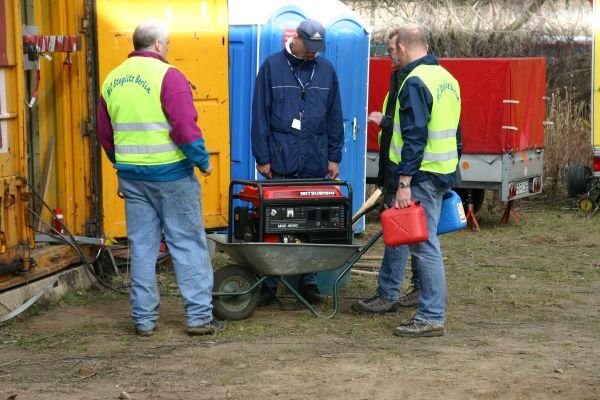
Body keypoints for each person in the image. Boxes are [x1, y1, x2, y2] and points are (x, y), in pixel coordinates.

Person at [97, 20, 223, 337]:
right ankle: (199, 317)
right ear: (157, 44)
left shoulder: (112, 79)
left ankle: (143, 321)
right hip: (172, 176)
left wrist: (121, 164)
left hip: (132, 177)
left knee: (142, 248)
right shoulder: (169, 76)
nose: (167, 49)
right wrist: (202, 161)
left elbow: (105, 134)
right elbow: (184, 127)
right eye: (166, 44)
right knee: (188, 243)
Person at [351, 23, 462, 337]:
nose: (390, 55)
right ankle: (423, 309)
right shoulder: (446, 78)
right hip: (440, 173)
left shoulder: (414, 81)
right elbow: (456, 132)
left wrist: (403, 183)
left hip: (420, 177)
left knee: (425, 248)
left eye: (391, 49)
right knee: (425, 243)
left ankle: (431, 316)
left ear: (402, 47)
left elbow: (414, 138)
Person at [251, 19, 344, 305]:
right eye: (310, 46)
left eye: (318, 47)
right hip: (281, 157)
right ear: (296, 39)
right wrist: (262, 157)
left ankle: (309, 281)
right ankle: (269, 283)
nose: (314, 52)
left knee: (312, 221)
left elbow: (334, 115)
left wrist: (334, 156)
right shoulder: (272, 66)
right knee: (275, 221)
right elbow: (260, 114)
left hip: (315, 158)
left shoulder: (326, 70)